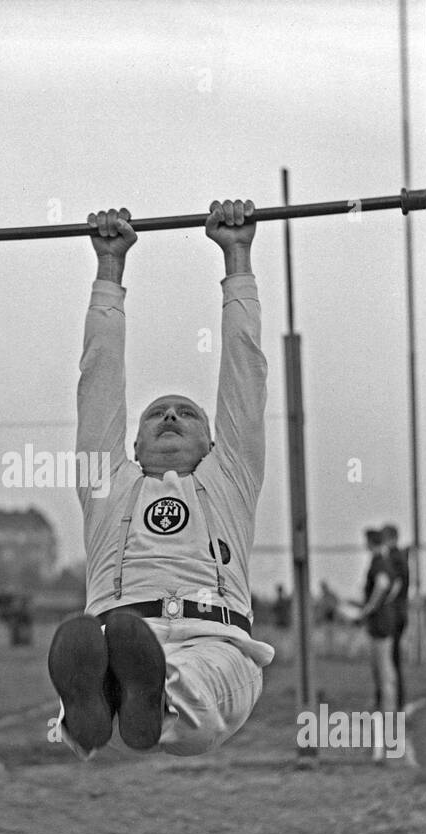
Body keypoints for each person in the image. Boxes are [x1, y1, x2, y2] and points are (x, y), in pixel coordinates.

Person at [46, 201, 274, 758]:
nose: (170, 417)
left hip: (213, 641)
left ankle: (140, 702)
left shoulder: (228, 480)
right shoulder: (110, 484)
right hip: (117, 630)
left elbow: (245, 368)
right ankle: (106, 701)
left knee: (199, 682)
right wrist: (109, 268)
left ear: (215, 444)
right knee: (120, 651)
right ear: (133, 444)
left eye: (186, 413)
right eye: (157, 414)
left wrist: (237, 258)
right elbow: (97, 374)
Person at [358, 528, 398, 760]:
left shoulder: (379, 562)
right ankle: (386, 731)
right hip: (384, 622)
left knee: (384, 678)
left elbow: (383, 586)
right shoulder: (385, 561)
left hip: (380, 626)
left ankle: (387, 733)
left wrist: (370, 608)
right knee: (385, 677)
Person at [380, 525, 409, 709]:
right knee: (393, 658)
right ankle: (397, 701)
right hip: (399, 611)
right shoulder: (399, 557)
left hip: (395, 613)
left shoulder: (395, 557)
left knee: (393, 659)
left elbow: (397, 583)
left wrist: (384, 600)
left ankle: (398, 702)